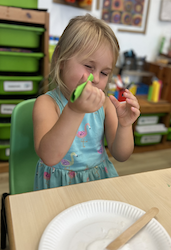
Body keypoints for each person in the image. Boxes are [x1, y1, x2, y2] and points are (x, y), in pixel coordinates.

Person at [33, 14, 140, 190]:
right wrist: (74, 110)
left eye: (104, 73)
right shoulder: (46, 104)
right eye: (89, 67)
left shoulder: (105, 105)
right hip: (57, 185)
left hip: (97, 180)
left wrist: (125, 125)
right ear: (61, 59)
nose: (96, 78)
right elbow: (49, 157)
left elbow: (121, 155)